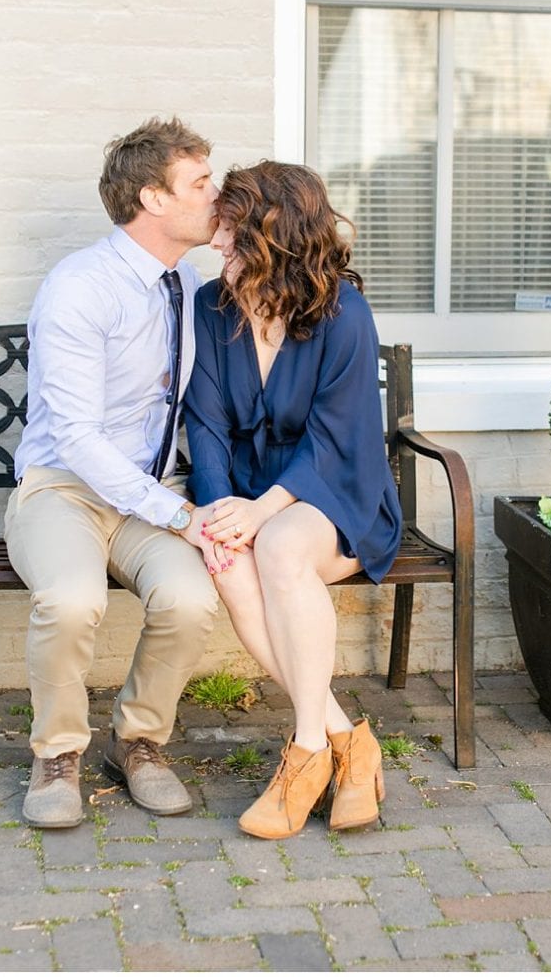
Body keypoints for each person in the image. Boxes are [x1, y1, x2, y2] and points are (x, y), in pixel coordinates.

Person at [5, 117, 222, 829]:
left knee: (190, 600)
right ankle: (58, 756)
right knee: (70, 601)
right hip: (64, 490)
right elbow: (76, 436)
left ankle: (139, 744)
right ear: (153, 199)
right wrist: (181, 516)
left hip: (147, 495)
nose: (213, 194)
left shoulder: (184, 281)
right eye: (199, 182)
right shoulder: (80, 287)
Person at [183, 160, 403, 840]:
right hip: (248, 495)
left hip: (335, 493)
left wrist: (262, 511)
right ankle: (347, 743)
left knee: (279, 547)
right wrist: (221, 512)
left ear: (277, 238)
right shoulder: (211, 308)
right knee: (228, 559)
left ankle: (304, 752)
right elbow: (207, 423)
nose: (215, 242)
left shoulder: (344, 315)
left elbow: (337, 439)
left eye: (232, 231)